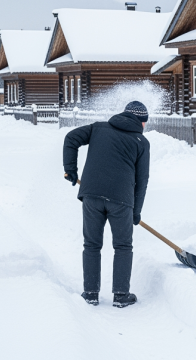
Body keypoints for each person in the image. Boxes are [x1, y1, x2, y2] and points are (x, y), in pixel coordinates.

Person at [63, 101, 150, 308]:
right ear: (140, 121)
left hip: (91, 195)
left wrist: (70, 169)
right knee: (122, 246)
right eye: (145, 122)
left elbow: (71, 138)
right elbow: (142, 181)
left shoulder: (98, 128)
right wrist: (136, 212)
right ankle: (121, 295)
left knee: (91, 244)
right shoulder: (141, 142)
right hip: (121, 200)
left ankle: (91, 293)